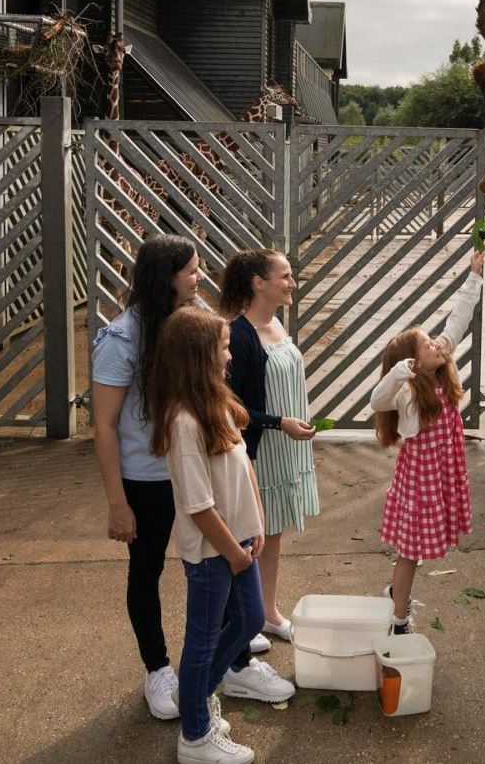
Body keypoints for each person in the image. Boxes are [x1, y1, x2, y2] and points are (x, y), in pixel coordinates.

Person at [149, 307, 293, 764]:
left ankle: (200, 695)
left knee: (250, 620)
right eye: (223, 348)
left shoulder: (217, 402)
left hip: (240, 544)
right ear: (197, 357)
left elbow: (243, 463)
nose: (230, 355)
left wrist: (256, 523)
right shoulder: (183, 421)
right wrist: (234, 553)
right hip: (215, 553)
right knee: (203, 640)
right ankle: (195, 735)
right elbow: (197, 506)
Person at [90, 236, 203, 719]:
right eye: (193, 271)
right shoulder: (121, 339)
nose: (200, 278)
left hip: (193, 470)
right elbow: (103, 426)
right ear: (167, 277)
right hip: (147, 481)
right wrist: (118, 503)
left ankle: (226, 656)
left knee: (209, 563)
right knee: (147, 571)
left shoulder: (188, 324)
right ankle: (157, 670)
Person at [368, 252, 485, 633]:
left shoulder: (441, 366)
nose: (437, 343)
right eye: (427, 344)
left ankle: (396, 597)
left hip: (441, 472)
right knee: (410, 551)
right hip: (420, 479)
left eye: (434, 340)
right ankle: (398, 619)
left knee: (413, 551)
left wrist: (474, 277)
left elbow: (458, 319)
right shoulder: (407, 394)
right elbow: (376, 402)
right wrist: (397, 375)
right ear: (413, 362)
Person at [218, 249, 317, 657]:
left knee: (273, 535)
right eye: (285, 276)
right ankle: (246, 616)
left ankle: (268, 612)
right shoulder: (240, 335)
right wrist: (281, 423)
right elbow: (234, 408)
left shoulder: (277, 322)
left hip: (287, 447)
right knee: (254, 538)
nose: (292, 283)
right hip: (264, 450)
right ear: (259, 283)